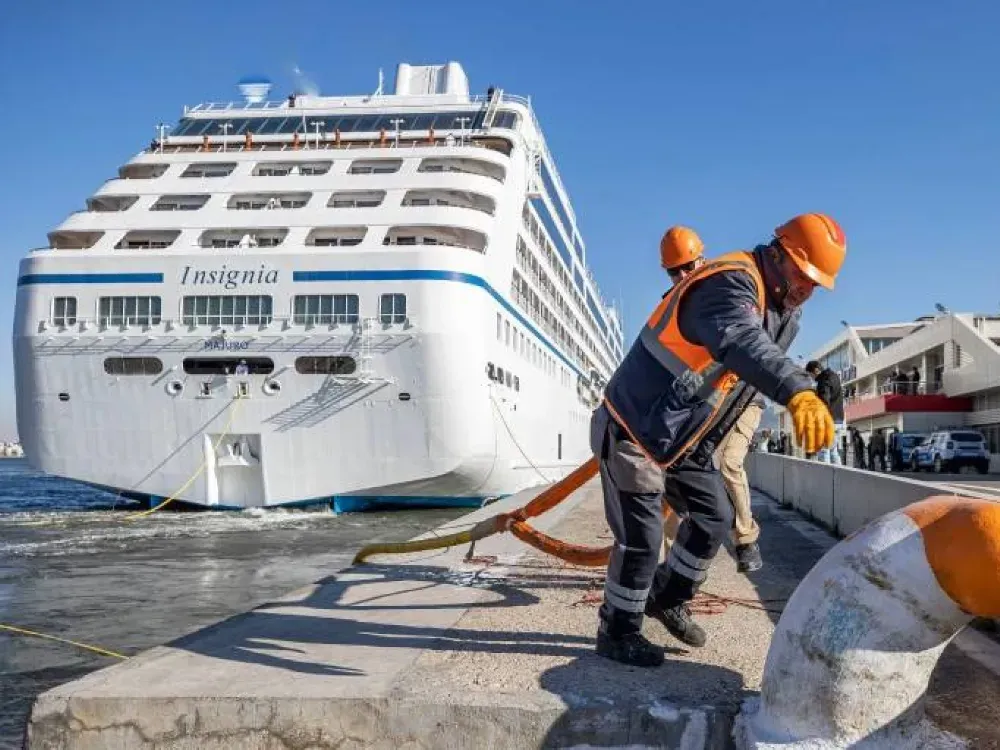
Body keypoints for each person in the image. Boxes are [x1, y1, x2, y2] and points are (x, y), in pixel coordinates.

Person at [592, 213, 845, 667]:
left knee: (715, 517)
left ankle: (667, 598)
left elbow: (737, 388)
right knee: (642, 539)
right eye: (804, 276)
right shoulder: (730, 282)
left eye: (816, 284)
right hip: (635, 428)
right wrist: (798, 393)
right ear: (781, 254)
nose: (809, 289)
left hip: (685, 438)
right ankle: (618, 628)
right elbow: (740, 343)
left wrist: (705, 452)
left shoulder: (785, 313)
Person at [662, 226, 766, 573]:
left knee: (731, 463)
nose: (682, 275)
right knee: (665, 472)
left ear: (701, 260)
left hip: (742, 397)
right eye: (674, 271)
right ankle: (665, 561)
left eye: (688, 266)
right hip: (704, 401)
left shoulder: (727, 292)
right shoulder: (671, 307)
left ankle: (746, 539)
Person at [805, 360, 844, 464]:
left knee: (823, 451)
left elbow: (824, 401)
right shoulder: (834, 376)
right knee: (833, 451)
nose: (812, 378)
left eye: (811, 375)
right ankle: (840, 477)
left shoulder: (823, 380)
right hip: (838, 420)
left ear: (816, 371)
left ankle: (824, 478)